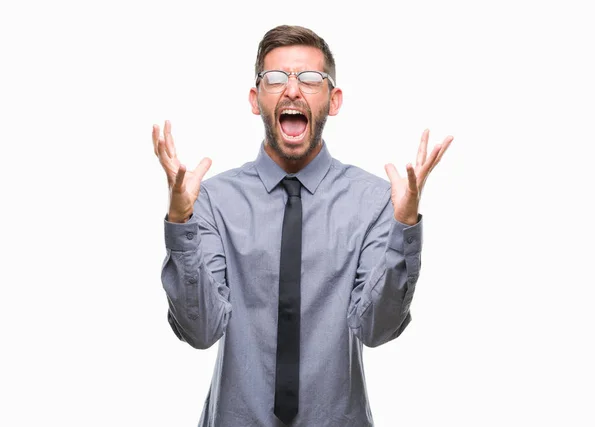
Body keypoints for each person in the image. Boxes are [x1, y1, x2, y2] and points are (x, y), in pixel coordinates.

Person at [152, 24, 452, 427]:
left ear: (333, 99)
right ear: (256, 100)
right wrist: (180, 222)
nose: (292, 90)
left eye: (310, 79)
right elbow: (200, 331)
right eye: (276, 78)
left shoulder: (376, 201)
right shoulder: (211, 200)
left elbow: (377, 329)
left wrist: (403, 228)